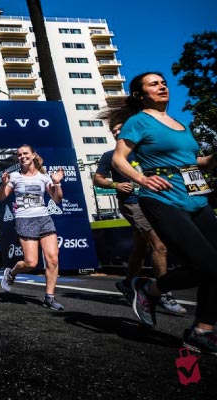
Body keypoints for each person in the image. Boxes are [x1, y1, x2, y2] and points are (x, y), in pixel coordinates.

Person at [111, 72, 217, 354]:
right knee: (207, 265)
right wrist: (141, 179)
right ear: (140, 94)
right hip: (162, 196)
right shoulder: (138, 121)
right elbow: (118, 158)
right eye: (154, 84)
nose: (162, 86)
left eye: (163, 82)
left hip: (196, 195)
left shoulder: (180, 124)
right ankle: (149, 290)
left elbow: (197, 163)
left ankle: (202, 331)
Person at [93, 118, 186, 314]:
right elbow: (98, 179)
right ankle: (164, 294)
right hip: (132, 203)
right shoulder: (110, 155)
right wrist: (115, 185)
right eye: (114, 131)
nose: (117, 133)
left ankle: (127, 284)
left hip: (154, 201)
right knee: (158, 243)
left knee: (140, 245)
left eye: (120, 129)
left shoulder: (146, 151)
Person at [0, 144, 66, 311]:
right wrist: (3, 184)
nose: (22, 157)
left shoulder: (44, 177)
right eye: (19, 155)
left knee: (53, 259)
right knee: (31, 262)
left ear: (33, 155)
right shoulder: (14, 177)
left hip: (44, 218)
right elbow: (1, 197)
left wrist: (57, 183)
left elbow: (57, 199)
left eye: (25, 153)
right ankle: (11, 273)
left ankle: (49, 297)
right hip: (24, 220)